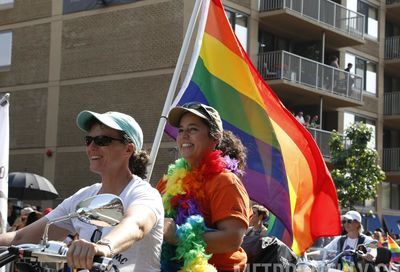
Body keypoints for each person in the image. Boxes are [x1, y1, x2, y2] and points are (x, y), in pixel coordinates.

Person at [0, 110, 164, 272]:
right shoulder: (83, 197)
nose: (92, 147)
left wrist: (104, 247)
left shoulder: (144, 194)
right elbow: (20, 238)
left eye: (101, 140)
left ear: (128, 150)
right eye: (88, 140)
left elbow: (137, 225)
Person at [156, 102, 251, 272]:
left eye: (192, 129)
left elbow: (232, 239)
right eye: (181, 130)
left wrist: (178, 236)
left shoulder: (225, 182)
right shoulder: (169, 180)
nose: (184, 135)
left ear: (214, 138)